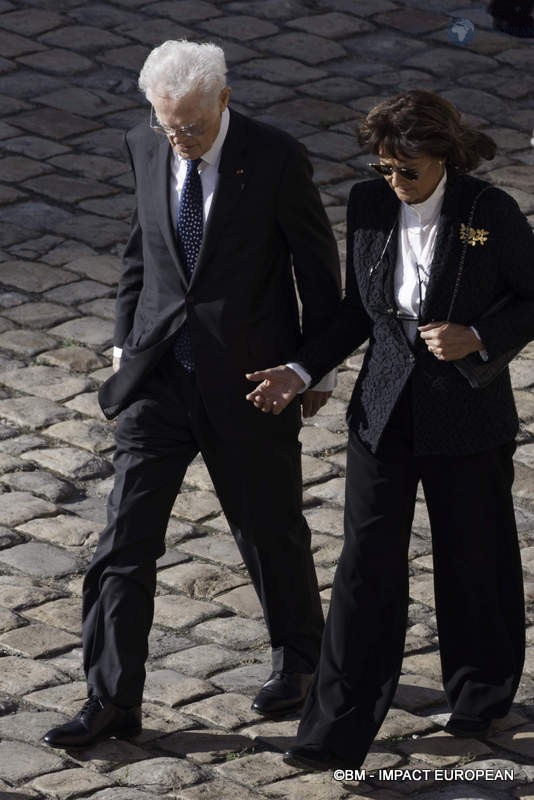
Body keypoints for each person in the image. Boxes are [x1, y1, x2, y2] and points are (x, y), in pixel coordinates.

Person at [43, 39, 341, 748]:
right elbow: (140, 252)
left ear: (225, 101)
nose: (179, 140)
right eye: (167, 125)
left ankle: (301, 662)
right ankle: (113, 697)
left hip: (248, 385)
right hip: (156, 382)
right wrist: (125, 344)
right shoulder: (143, 145)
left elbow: (319, 276)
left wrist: (307, 371)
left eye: (193, 127)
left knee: (269, 530)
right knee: (122, 541)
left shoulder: (275, 159)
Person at [246, 90, 534, 770]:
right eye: (385, 169)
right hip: (383, 411)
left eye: (409, 170)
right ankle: (334, 729)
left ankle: (480, 694)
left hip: (466, 415)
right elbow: (357, 313)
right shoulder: (370, 204)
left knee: (475, 556)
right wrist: (298, 370)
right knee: (364, 568)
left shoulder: (487, 214)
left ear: (443, 157)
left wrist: (480, 337)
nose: (396, 183)